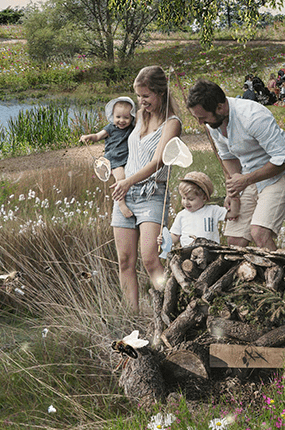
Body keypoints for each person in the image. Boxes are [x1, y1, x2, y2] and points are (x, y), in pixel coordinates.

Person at [186, 80, 285, 249]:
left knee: (259, 233)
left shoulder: (253, 117)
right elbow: (228, 156)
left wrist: (245, 181)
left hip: (278, 174)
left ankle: (281, 274)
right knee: (234, 240)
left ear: (220, 107)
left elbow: (284, 159)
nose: (201, 123)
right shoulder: (213, 123)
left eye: (202, 117)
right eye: (197, 118)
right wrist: (232, 193)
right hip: (249, 176)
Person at [107, 65, 180, 318]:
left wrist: (128, 181)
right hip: (125, 195)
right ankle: (133, 316)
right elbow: (116, 138)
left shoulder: (172, 123)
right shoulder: (138, 116)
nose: (141, 101)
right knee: (125, 261)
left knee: (150, 259)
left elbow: (158, 161)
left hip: (152, 194)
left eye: (146, 96)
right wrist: (118, 174)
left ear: (160, 93)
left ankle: (167, 313)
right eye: (139, 96)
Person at [167, 171, 227, 257]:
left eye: (191, 199)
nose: (186, 202)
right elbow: (175, 235)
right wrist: (166, 239)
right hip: (188, 254)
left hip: (211, 253)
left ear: (204, 197)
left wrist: (233, 197)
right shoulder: (181, 215)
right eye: (183, 198)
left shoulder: (213, 210)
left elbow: (231, 214)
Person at [77, 96, 136, 183]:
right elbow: (97, 136)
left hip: (128, 159)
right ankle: (119, 195)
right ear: (113, 115)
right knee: (121, 178)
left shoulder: (132, 128)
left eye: (126, 118)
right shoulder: (110, 128)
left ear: (132, 117)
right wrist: (88, 137)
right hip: (115, 160)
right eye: (118, 117)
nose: (121, 120)